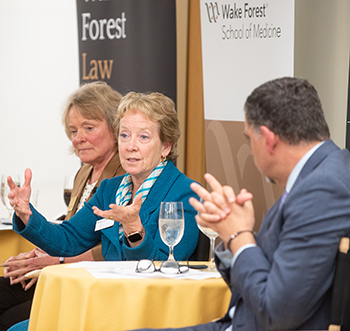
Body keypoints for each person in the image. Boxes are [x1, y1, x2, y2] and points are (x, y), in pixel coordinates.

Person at [138, 77, 350, 331]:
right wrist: (230, 238)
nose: (250, 148)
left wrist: (238, 235)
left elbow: (276, 312)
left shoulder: (323, 189)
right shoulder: (322, 174)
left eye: (249, 139)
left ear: (269, 140)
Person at [7, 91, 200, 330]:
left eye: (143, 137)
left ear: (165, 147)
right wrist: (27, 214)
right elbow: (68, 240)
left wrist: (134, 229)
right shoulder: (111, 189)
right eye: (124, 135)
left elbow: (161, 269)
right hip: (101, 299)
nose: (131, 146)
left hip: (145, 311)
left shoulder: (185, 193)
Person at [0, 81, 126, 331]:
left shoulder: (124, 175)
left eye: (88, 127)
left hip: (85, 279)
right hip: (60, 270)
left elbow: (113, 247)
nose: (78, 138)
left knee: (3, 321)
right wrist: (39, 244)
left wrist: (57, 259)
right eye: (73, 131)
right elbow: (71, 231)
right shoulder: (84, 172)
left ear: (116, 128)